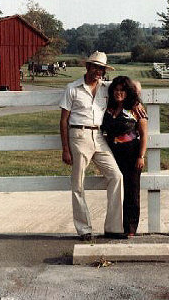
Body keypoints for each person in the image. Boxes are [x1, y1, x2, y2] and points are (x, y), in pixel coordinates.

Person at [59, 51, 129, 241]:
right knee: (78, 183)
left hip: (99, 136)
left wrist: (137, 102)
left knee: (116, 176)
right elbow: (63, 120)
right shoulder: (72, 88)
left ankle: (114, 227)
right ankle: (84, 229)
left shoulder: (107, 88)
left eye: (102, 68)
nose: (99, 71)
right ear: (88, 67)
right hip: (78, 134)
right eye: (96, 67)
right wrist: (65, 148)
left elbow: (131, 87)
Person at [101, 76, 148, 237]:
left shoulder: (135, 108)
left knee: (132, 190)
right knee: (117, 189)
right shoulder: (109, 107)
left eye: (122, 90)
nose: (119, 93)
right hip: (113, 152)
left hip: (131, 152)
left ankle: (130, 228)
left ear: (128, 92)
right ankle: (116, 227)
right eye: (116, 89)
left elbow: (144, 134)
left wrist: (141, 156)